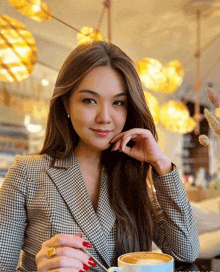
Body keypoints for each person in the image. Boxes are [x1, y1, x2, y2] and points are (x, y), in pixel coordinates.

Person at [0, 41, 200, 272]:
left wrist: (161, 165)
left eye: (118, 102)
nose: (105, 117)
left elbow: (186, 251)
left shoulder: (132, 175)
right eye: (89, 100)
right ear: (66, 102)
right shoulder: (28, 173)